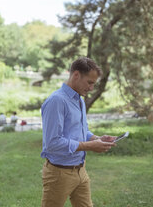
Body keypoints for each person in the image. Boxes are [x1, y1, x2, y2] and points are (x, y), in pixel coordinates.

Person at [41, 57, 116, 207]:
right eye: (89, 82)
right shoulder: (57, 101)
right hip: (59, 174)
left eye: (93, 84)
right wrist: (90, 146)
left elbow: (80, 131)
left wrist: (97, 138)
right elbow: (52, 143)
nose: (91, 88)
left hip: (80, 170)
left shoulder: (79, 99)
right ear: (76, 75)